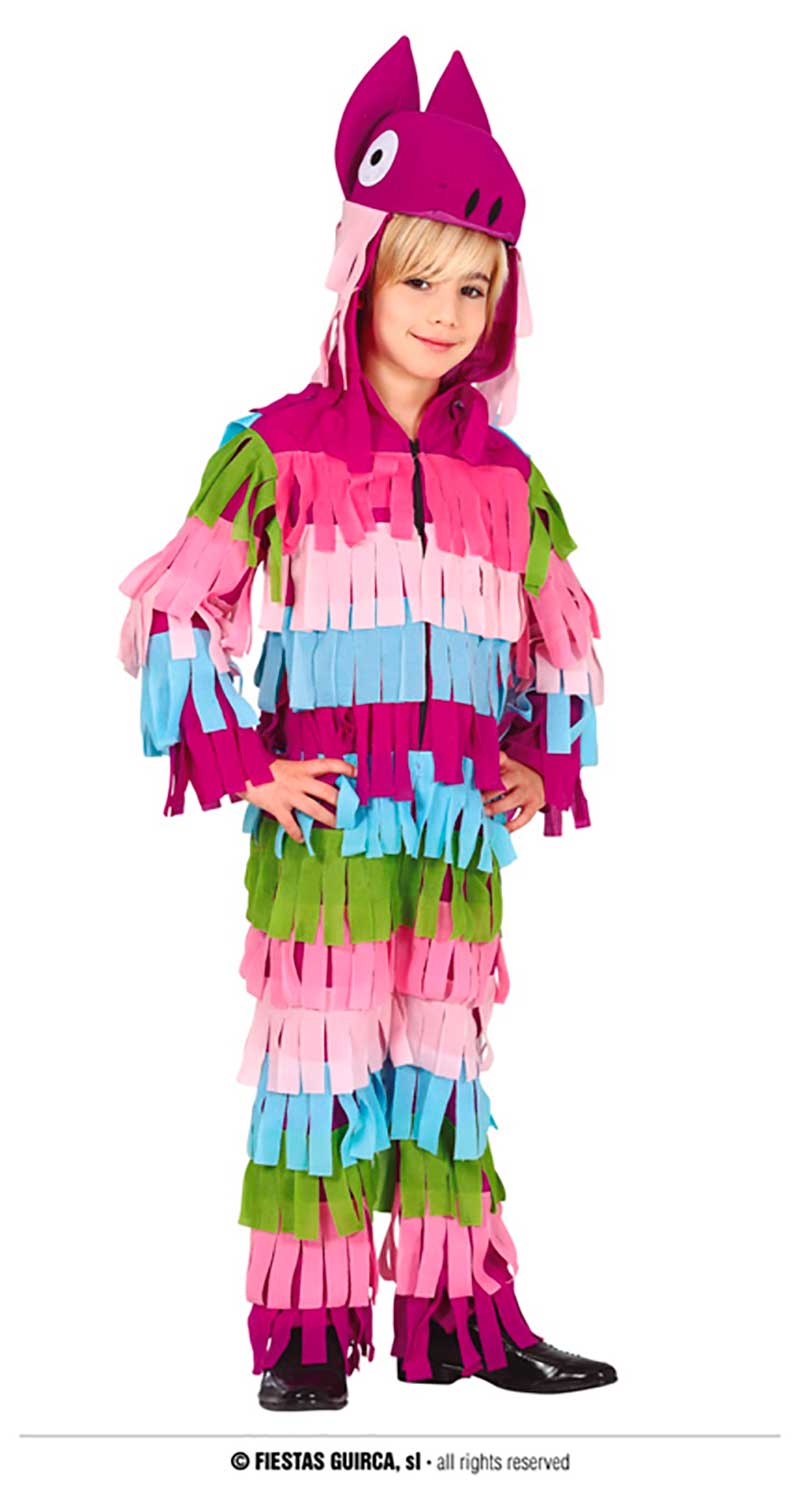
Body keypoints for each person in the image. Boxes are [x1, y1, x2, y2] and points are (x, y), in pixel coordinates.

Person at [118, 36, 616, 1411]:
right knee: (321, 1075)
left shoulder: (506, 476)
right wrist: (248, 765)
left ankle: (466, 1325)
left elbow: (567, 632)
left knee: (447, 1071)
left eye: (475, 286)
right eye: (420, 278)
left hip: (453, 842)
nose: (447, 312)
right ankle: (306, 1340)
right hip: (328, 839)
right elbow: (176, 609)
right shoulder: (278, 448)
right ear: (361, 273)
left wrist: (538, 759)